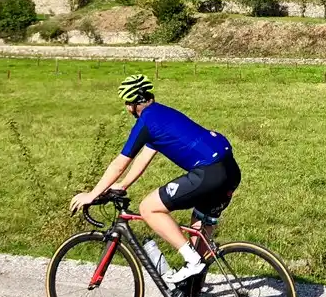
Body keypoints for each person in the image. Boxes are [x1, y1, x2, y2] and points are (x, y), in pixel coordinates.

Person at [70, 74, 241, 285]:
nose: (126, 108)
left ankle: (192, 261)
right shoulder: (164, 113)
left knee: (149, 208)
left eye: (126, 104)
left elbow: (120, 163)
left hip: (208, 173)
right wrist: (123, 185)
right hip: (230, 171)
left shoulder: (146, 121)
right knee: (199, 231)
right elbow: (144, 157)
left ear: (133, 104)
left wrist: (92, 194)